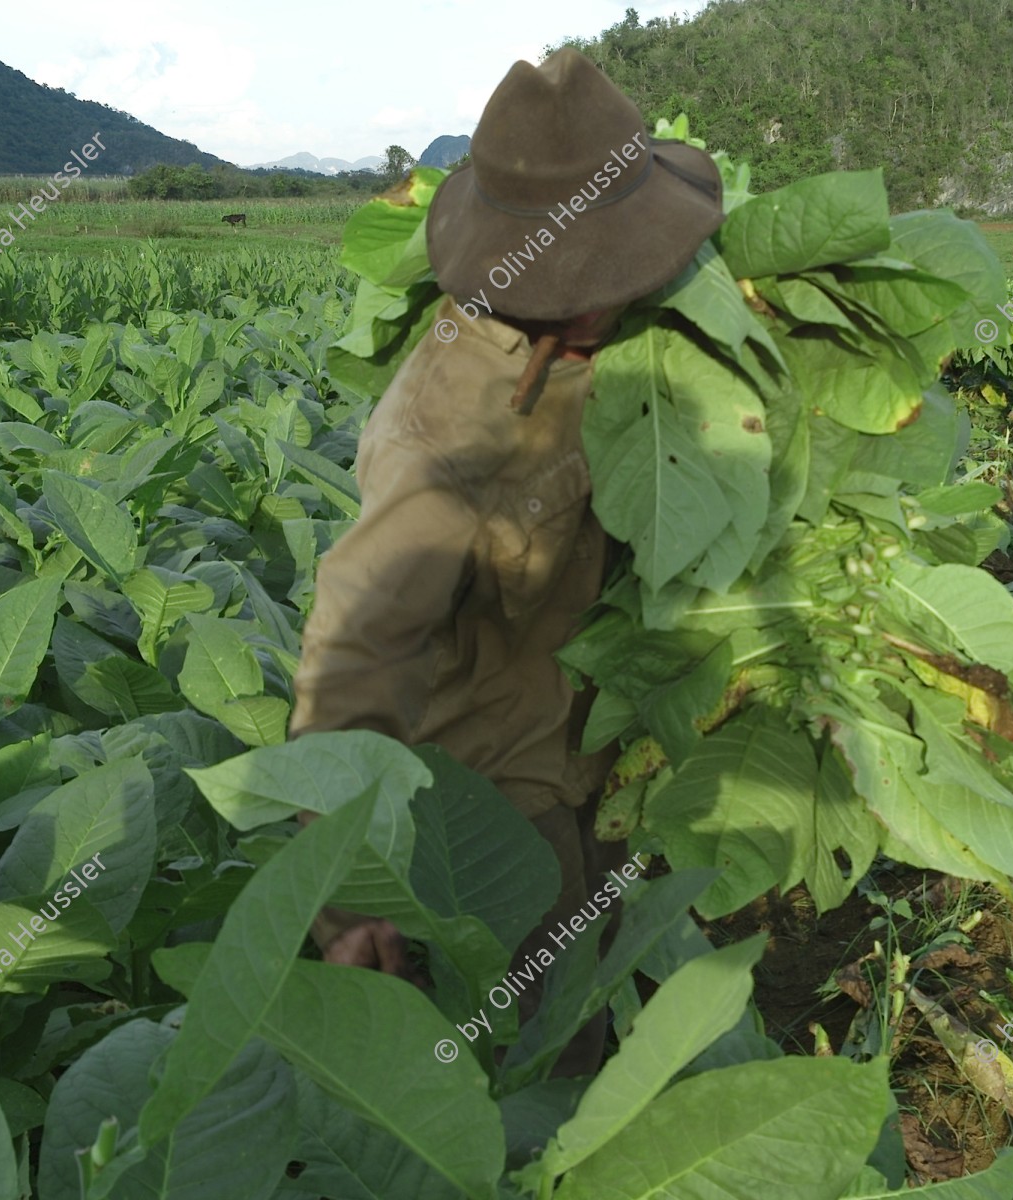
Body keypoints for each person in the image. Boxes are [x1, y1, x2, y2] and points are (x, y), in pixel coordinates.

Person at [288, 48, 724, 1072]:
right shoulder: (442, 432)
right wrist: (345, 897)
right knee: (538, 1076)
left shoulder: (602, 349)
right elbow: (356, 648)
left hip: (598, 764)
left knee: (611, 1018)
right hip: (501, 815)